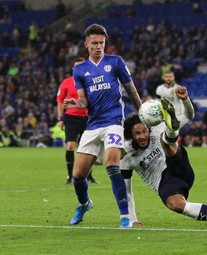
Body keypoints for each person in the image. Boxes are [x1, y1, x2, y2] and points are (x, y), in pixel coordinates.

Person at [120, 87, 207, 226]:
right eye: (137, 134)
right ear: (130, 136)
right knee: (176, 205)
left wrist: (185, 100)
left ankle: (172, 129)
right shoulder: (126, 155)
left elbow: (188, 116)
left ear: (149, 128)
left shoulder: (156, 128)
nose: (143, 136)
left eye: (144, 131)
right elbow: (126, 191)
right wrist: (132, 219)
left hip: (177, 163)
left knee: (164, 140)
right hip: (165, 182)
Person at [64, 23, 142, 228]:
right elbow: (83, 101)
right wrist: (75, 103)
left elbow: (130, 89)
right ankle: (84, 203)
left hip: (114, 122)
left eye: (102, 42)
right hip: (93, 125)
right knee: (78, 176)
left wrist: (141, 110)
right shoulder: (80, 70)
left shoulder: (115, 62)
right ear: (86, 44)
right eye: (95, 43)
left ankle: (125, 216)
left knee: (111, 164)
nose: (99, 46)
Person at [56, 57, 98, 184]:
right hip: (71, 117)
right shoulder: (66, 82)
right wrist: (60, 118)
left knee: (88, 147)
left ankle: (89, 176)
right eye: (76, 66)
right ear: (73, 68)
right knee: (70, 145)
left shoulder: (91, 81)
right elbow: (60, 100)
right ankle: (70, 176)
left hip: (87, 117)